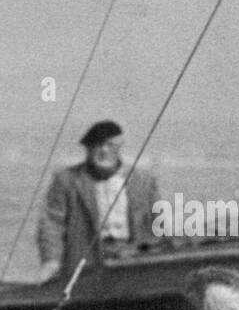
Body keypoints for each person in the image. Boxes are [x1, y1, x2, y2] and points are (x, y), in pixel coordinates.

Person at [36, 120, 161, 284]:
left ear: (119, 147)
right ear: (88, 150)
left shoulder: (142, 180)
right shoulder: (68, 180)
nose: (104, 150)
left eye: (110, 145)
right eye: (97, 146)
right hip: (87, 262)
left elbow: (158, 221)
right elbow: (52, 223)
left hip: (133, 258)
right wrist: (51, 261)